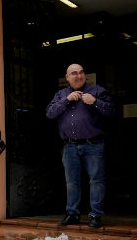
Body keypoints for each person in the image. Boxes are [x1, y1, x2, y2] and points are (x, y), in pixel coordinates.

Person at [45, 63, 115, 228]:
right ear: (67, 77)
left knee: (96, 180)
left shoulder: (97, 91)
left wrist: (95, 101)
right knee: (71, 182)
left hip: (94, 144)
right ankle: (72, 214)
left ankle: (96, 215)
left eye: (81, 72)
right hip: (69, 146)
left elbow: (112, 111)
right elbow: (50, 113)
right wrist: (66, 100)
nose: (78, 76)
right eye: (74, 73)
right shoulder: (61, 94)